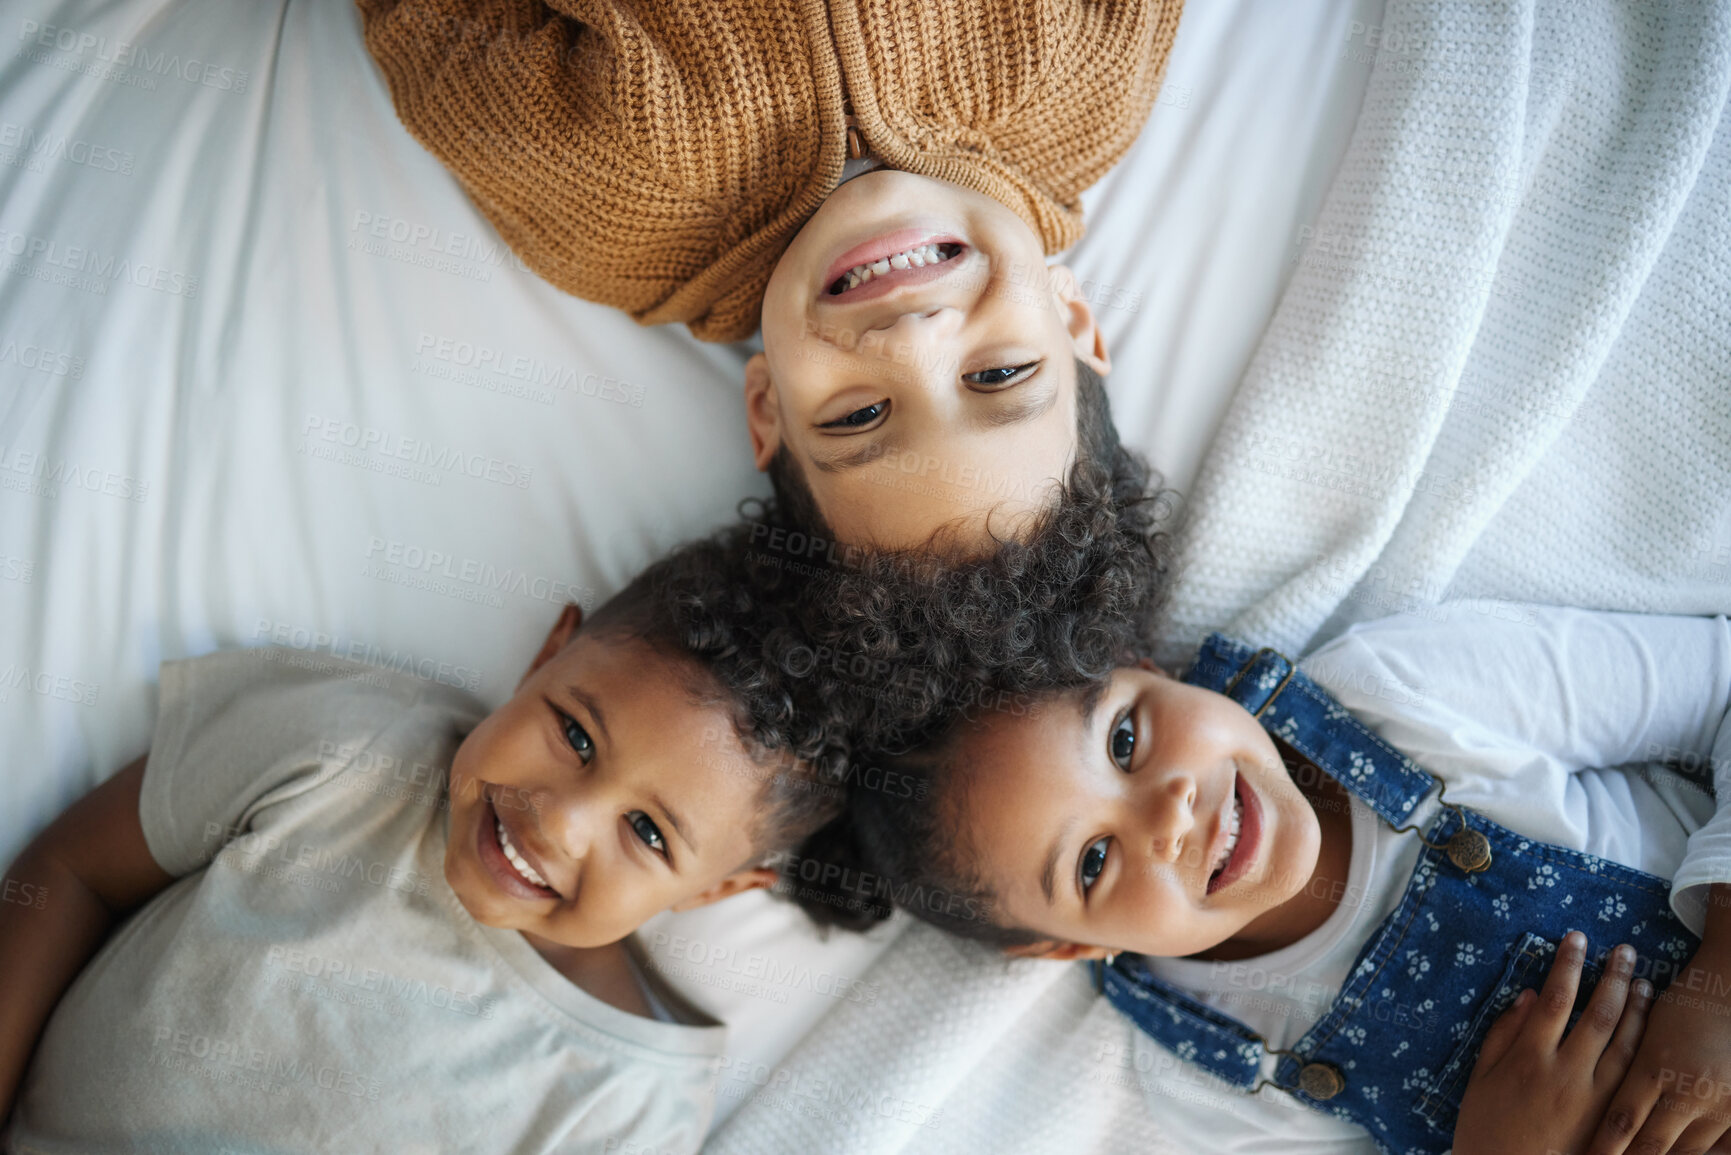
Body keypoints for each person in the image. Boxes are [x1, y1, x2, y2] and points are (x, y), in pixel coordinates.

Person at [0, 527, 857, 1153]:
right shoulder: (342, 751)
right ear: (545, 656)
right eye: (577, 736)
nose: (557, 820)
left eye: (646, 831)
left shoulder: (628, 1101)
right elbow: (72, 871)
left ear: (711, 890)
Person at [813, 602, 1731, 1153]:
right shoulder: (1215, 1070)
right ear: (1069, 945)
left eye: (1125, 739)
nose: (1169, 813)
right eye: (1092, 861)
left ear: (1143, 668)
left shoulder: (1400, 698)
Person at [356, 0, 1181, 553]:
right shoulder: (1081, 86)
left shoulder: (618, 214)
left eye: (858, 415)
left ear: (766, 408)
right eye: (998, 374)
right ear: (1073, 320)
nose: (911, 338)